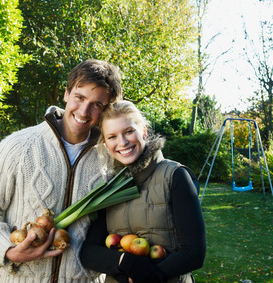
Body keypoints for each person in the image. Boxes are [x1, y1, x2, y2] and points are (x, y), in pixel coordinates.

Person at [0, 59, 123, 283]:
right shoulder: (19, 145)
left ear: (106, 109)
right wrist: (9, 250)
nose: (84, 111)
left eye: (97, 104)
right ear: (67, 93)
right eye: (79, 97)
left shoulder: (112, 158)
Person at [80, 100, 206, 283]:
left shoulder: (175, 176)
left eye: (129, 132)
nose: (122, 142)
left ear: (144, 132)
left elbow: (194, 253)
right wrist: (125, 262)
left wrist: (143, 276)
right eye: (112, 136)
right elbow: (89, 252)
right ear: (106, 143)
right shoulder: (111, 186)